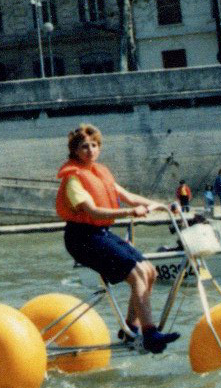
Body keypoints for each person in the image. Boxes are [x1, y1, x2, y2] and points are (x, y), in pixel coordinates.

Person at [56, 124, 177, 352]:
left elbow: (128, 197)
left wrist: (162, 206)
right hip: (81, 239)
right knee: (136, 275)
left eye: (94, 145)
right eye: (84, 147)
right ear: (75, 151)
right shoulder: (74, 179)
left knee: (149, 271)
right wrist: (129, 213)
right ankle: (150, 334)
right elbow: (93, 212)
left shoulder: (99, 172)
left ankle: (130, 329)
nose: (90, 150)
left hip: (100, 234)